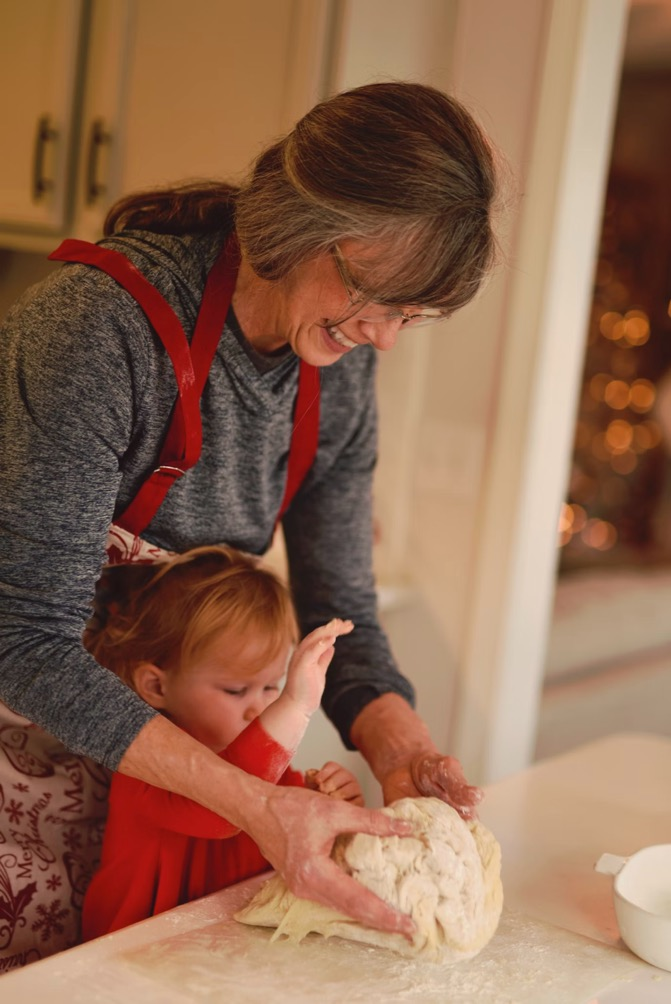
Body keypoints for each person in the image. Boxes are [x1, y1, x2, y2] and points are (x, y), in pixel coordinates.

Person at [0, 80, 498, 967]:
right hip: (20, 792)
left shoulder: (333, 366)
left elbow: (342, 606)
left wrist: (400, 748)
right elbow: (25, 640)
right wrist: (260, 803)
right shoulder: (95, 330)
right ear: (299, 229)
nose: (384, 338)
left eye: (410, 316)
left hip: (165, 807)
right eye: (376, 297)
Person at [81, 545, 363, 939]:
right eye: (235, 690)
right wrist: (295, 705)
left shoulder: (270, 766)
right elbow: (222, 812)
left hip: (222, 945)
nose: (259, 709)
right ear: (157, 686)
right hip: (127, 953)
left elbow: (292, 834)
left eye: (271, 687)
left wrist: (330, 802)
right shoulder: (143, 764)